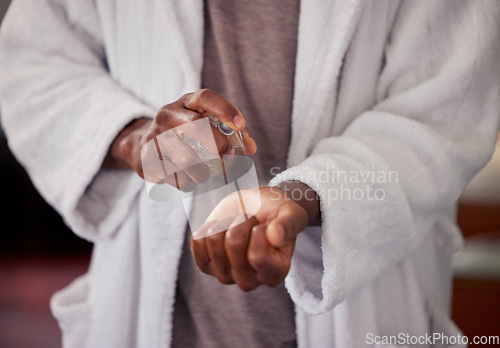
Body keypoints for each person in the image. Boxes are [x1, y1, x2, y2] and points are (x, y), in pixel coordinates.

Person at [1, 0, 499, 347]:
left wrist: (305, 197)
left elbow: (444, 108)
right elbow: (30, 65)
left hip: (366, 315)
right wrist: (138, 140)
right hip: (146, 318)